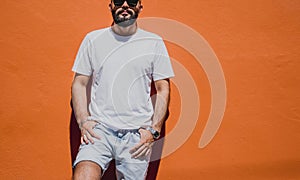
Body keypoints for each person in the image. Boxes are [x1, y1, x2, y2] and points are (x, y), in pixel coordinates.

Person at [71, 0, 174, 179]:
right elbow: (79, 82)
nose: (125, 5)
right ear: (110, 5)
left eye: (132, 1)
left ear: (140, 7)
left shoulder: (153, 42)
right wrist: (83, 122)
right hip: (99, 131)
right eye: (119, 1)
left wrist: (153, 130)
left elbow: (162, 87)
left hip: (136, 136)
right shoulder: (93, 39)